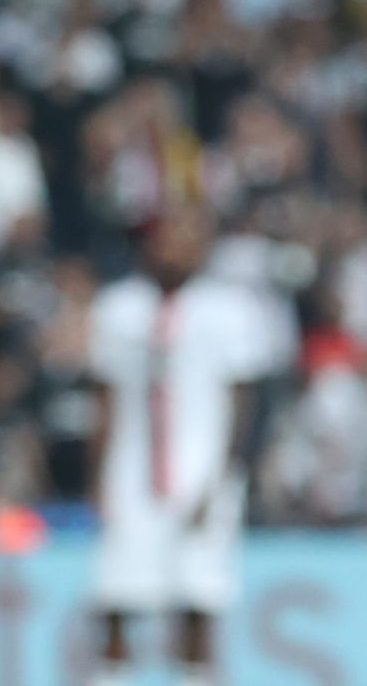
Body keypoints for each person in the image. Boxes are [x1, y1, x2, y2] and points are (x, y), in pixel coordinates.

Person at [87, 209, 272, 686]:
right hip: (132, 470)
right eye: (165, 240)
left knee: (199, 599)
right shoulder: (118, 308)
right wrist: (98, 479)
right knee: (118, 595)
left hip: (201, 468)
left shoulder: (230, 310)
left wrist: (226, 477)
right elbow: (104, 399)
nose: (172, 251)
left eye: (184, 240)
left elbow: (243, 401)